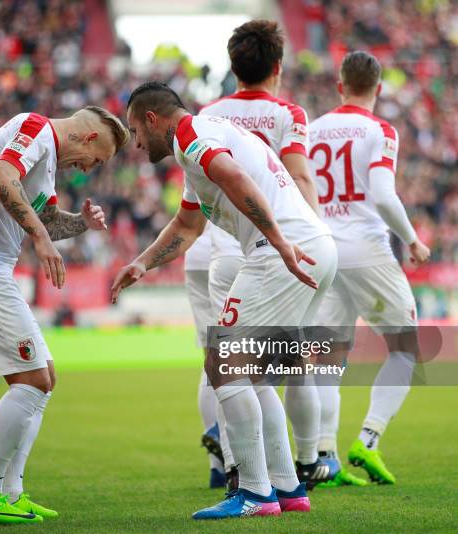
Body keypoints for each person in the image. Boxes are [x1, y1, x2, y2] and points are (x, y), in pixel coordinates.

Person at [113, 82, 336, 519]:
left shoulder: (190, 135)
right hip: (314, 248)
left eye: (135, 131)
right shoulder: (204, 139)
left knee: (223, 363)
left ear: (152, 119)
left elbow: (236, 178)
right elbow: (186, 226)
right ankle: (288, 488)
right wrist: (142, 263)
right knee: (254, 375)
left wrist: (278, 242)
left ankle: (254, 492)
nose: (136, 144)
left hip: (283, 254)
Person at [0, 106, 129, 525]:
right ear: (90, 138)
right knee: (33, 380)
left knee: (46, 376)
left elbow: (45, 218)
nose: (88, 168)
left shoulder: (44, 162)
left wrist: (81, 224)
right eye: (96, 160)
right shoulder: (35, 127)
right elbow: (1, 178)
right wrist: (41, 239)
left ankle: (11, 492)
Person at [200, 19, 340, 489]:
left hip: (223, 252)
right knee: (293, 359)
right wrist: (314, 230)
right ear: (277, 66)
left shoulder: (209, 114)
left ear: (233, 66)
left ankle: (232, 468)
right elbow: (299, 178)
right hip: (278, 252)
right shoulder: (288, 114)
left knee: (223, 362)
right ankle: (302, 461)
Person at [309, 51, 430, 485]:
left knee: (327, 359)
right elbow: (381, 194)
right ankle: (369, 439)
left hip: (321, 250)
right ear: (378, 89)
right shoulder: (379, 129)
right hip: (365, 248)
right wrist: (412, 238)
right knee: (405, 349)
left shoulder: (313, 128)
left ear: (341, 86)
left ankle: (323, 456)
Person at [183, 223, 228, 488]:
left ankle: (217, 468)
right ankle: (225, 436)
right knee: (240, 355)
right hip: (229, 252)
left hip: (196, 252)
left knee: (213, 355)